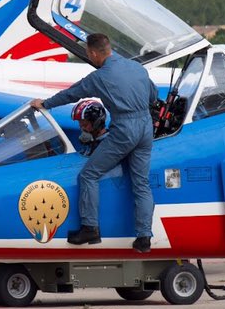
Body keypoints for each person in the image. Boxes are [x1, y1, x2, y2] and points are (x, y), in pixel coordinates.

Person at [30, 33, 158, 252]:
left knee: (89, 175)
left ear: (93, 53)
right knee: (141, 184)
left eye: (89, 54)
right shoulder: (138, 68)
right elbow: (153, 96)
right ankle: (144, 237)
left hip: (125, 130)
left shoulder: (99, 77)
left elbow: (72, 94)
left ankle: (90, 228)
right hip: (146, 128)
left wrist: (45, 104)